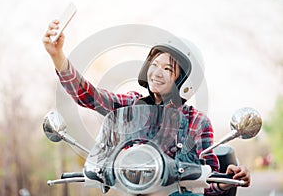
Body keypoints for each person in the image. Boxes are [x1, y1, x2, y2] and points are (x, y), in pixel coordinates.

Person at [43, 20, 250, 195]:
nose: (157, 72)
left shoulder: (197, 121)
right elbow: (91, 97)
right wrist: (57, 56)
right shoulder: (132, 106)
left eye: (168, 69)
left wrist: (224, 180)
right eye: (155, 64)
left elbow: (208, 178)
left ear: (185, 81)